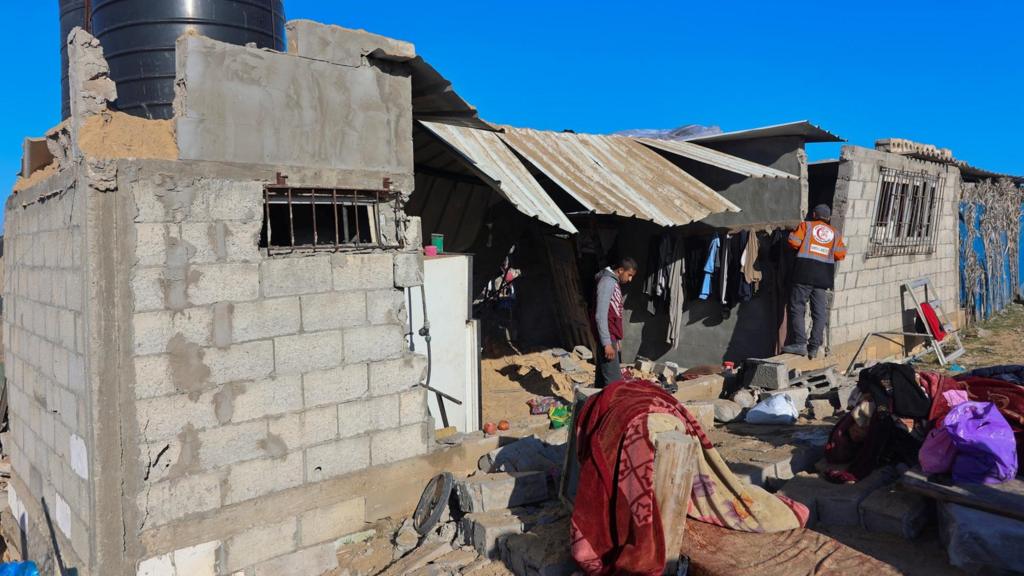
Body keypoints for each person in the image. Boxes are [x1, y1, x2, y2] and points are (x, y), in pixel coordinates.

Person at [783, 205, 846, 359]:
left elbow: (793, 242)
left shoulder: (806, 226)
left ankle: (800, 344)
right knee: (819, 313)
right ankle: (814, 346)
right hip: (823, 277)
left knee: (797, 308)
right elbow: (840, 254)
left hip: (804, 273)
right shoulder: (835, 234)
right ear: (829, 218)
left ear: (813, 214)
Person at [591, 257, 637, 387]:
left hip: (611, 337)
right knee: (614, 384)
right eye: (629, 275)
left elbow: (615, 312)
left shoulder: (613, 282)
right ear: (621, 270)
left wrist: (616, 339)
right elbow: (601, 315)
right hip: (607, 338)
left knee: (602, 380)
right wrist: (607, 343)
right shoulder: (607, 283)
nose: (630, 279)